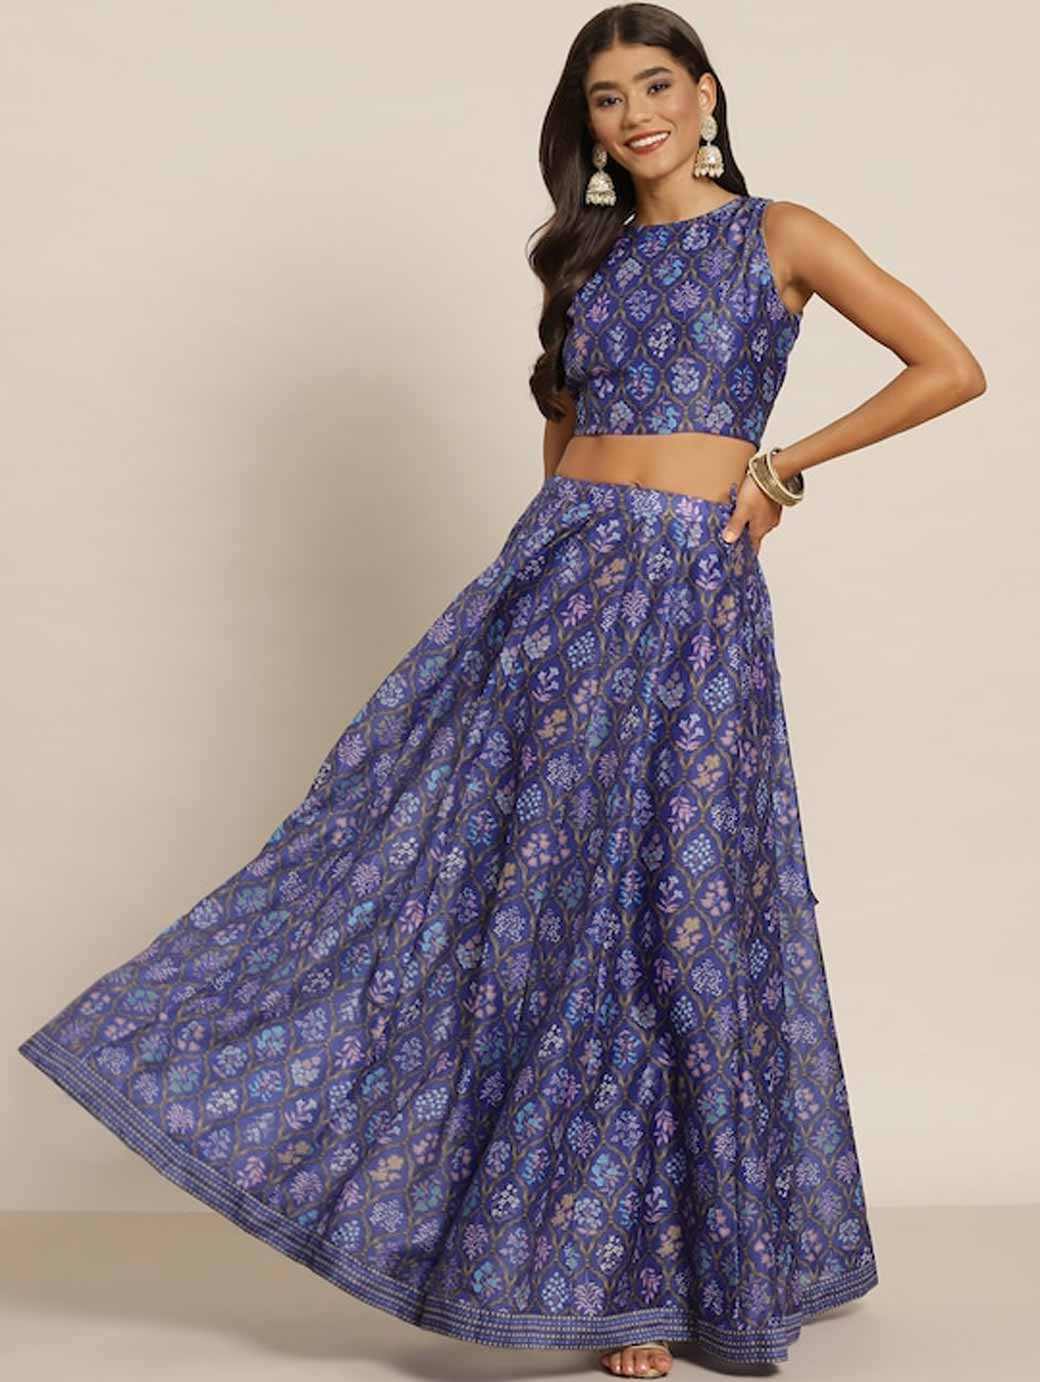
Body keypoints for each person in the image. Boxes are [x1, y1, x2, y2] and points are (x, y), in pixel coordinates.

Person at [18, 4, 985, 1378]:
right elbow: (564, 435)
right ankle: (601, 1281)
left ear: (708, 94)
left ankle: (690, 1261)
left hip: (688, 598)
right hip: (558, 586)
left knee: (674, 912)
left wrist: (781, 468)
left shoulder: (782, 235)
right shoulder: (586, 257)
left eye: (657, 84)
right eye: (606, 97)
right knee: (526, 894)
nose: (636, 114)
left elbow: (951, 366)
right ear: (587, 123)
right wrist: (539, 602)